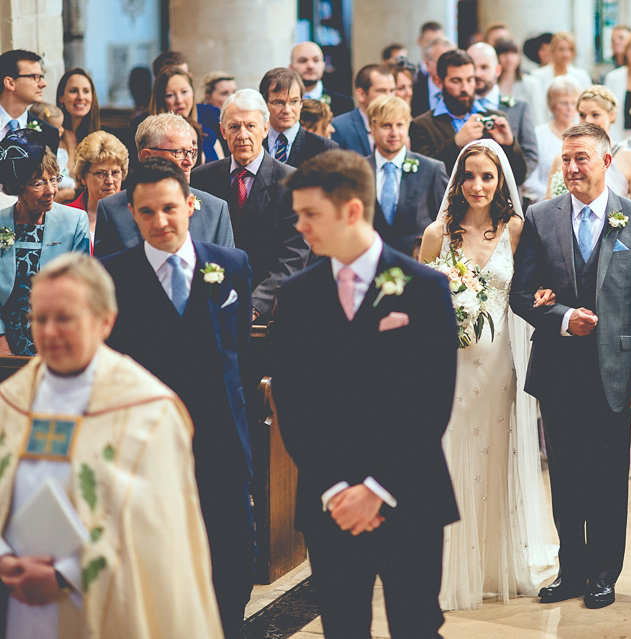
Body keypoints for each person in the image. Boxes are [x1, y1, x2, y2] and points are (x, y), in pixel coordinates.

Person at [270, 150, 459, 638]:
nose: (301, 226)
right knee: (343, 627)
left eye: (311, 214)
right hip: (329, 499)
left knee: (417, 626)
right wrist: (336, 489)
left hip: (409, 492)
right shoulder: (296, 296)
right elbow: (292, 403)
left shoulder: (424, 287)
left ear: (351, 211)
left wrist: (375, 490)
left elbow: (432, 402)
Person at [0, 251, 223, 639]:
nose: (49, 332)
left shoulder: (148, 412)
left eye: (64, 318)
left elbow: (155, 533)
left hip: (104, 611)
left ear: (106, 321)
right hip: (16, 603)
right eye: (39, 318)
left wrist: (66, 575)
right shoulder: (11, 402)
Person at [510, 122, 631, 608]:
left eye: (582, 158)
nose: (572, 168)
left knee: (606, 477)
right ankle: (571, 569)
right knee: (566, 475)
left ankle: (603, 571)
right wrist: (560, 318)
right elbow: (520, 294)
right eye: (566, 158)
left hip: (615, 370)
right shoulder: (540, 216)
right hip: (558, 369)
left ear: (606, 161)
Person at [102, 157, 255, 639]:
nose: (160, 221)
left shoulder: (231, 265)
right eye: (146, 213)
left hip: (223, 442)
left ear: (191, 204)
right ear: (131, 212)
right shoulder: (111, 276)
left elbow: (242, 357)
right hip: (149, 445)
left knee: (232, 562)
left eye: (169, 208)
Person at [419, 139, 557, 610]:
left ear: (501, 182)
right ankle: (448, 565)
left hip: (498, 364)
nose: (478, 186)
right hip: (447, 367)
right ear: (457, 181)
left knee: (492, 454)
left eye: (488, 177)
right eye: (470, 176)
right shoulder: (437, 234)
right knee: (450, 454)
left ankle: (495, 565)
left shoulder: (515, 229)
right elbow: (419, 305)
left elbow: (532, 288)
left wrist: (544, 299)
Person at [191, 89, 307, 321]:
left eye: (250, 126)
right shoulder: (202, 178)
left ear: (265, 129)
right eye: (234, 127)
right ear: (222, 131)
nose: (242, 135)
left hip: (268, 311)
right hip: (210, 307)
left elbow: (293, 257)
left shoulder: (291, 182)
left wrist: (253, 307)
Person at [0, 129, 90, 356]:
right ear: (19, 186)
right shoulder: (1, 222)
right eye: (38, 183)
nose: (51, 190)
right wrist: (1, 342)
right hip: (5, 340)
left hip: (58, 338)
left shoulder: (74, 221)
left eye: (54, 179)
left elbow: (81, 289)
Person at [94, 113, 234, 257]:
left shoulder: (216, 210)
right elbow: (104, 275)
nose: (189, 162)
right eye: (178, 152)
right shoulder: (112, 211)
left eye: (191, 152)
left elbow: (228, 272)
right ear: (147, 156)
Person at [410, 49, 527, 185]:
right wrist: (456, 143)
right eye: (456, 81)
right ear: (439, 82)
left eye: (470, 80)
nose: (465, 88)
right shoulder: (422, 125)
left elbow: (518, 177)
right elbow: (424, 178)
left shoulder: (494, 117)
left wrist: (509, 145)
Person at [366, 95, 447, 256]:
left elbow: (444, 221)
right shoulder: (358, 170)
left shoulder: (432, 169)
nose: (394, 133)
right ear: (372, 127)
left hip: (416, 264)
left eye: (400, 125)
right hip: (370, 262)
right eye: (386, 126)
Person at [547, 86, 631, 205]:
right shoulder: (561, 159)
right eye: (582, 115)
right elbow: (549, 203)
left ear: (611, 115)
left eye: (595, 115)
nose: (588, 121)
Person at [468, 43, 538, 180]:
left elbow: (530, 156)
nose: (477, 74)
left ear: (498, 70)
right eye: (473, 68)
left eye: (484, 67)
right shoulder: (456, 109)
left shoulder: (519, 109)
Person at [260, 68, 339, 167]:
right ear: (264, 104)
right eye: (279, 102)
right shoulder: (254, 144)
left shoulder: (325, 148)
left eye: (294, 102)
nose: (287, 110)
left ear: (301, 103)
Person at [523, 76, 580, 202]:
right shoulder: (538, 135)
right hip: (545, 202)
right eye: (564, 103)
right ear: (552, 106)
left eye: (574, 103)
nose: (570, 108)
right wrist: (554, 197)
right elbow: (530, 179)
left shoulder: (582, 135)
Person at [149, 66, 222, 163]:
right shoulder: (154, 141)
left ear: (192, 93)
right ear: (161, 100)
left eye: (184, 92)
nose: (179, 100)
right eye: (170, 95)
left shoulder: (207, 133)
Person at [68, 131, 128, 248]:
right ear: (83, 177)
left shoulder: (135, 212)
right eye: (101, 173)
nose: (110, 181)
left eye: (115, 173)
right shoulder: (68, 216)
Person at [0, 50, 60, 151]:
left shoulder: (49, 133)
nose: (43, 84)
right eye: (34, 77)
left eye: (41, 77)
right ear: (10, 83)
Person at [331, 65, 396, 156]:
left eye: (392, 91)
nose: (390, 97)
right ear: (361, 94)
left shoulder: (399, 126)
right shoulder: (339, 127)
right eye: (381, 91)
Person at [530, 33, 592, 124]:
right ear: (553, 50)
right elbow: (536, 107)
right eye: (561, 49)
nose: (565, 54)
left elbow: (587, 106)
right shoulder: (538, 76)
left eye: (570, 49)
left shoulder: (581, 76)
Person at [27, 102, 76, 201]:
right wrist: (73, 184)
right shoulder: (40, 155)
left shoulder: (61, 153)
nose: (62, 130)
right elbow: (56, 178)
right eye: (58, 128)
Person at [290, 42, 353, 116]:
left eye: (316, 60)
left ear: (323, 66)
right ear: (291, 67)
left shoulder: (344, 104)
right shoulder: (282, 103)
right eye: (303, 61)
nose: (310, 66)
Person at [494, 39, 543, 122]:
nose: (509, 58)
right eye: (504, 53)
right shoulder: (493, 85)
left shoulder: (531, 84)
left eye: (513, 53)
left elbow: (538, 117)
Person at [411, 37, 455, 118]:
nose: (447, 67)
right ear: (427, 64)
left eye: (452, 62)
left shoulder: (460, 91)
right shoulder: (414, 91)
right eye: (442, 61)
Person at [56, 69, 100, 146]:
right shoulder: (53, 136)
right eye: (73, 91)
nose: (81, 97)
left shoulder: (104, 138)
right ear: (61, 97)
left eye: (86, 91)